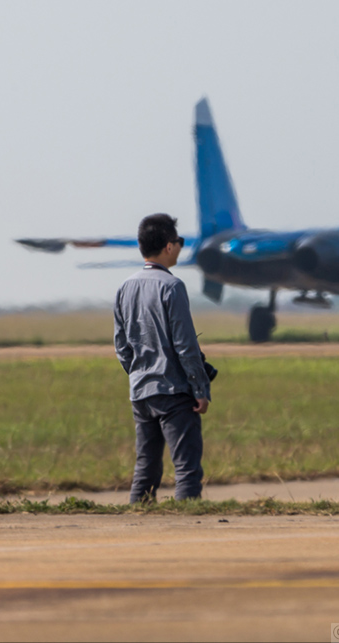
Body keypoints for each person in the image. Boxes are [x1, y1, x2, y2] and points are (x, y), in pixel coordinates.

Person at [113, 213, 211, 502]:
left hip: (141, 393)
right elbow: (185, 346)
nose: (180, 248)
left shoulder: (124, 287)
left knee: (145, 469)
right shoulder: (172, 286)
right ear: (169, 246)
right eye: (178, 242)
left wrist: (140, 374)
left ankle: (137, 526)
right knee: (187, 470)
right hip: (173, 393)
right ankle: (187, 529)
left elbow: (121, 347)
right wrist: (200, 389)